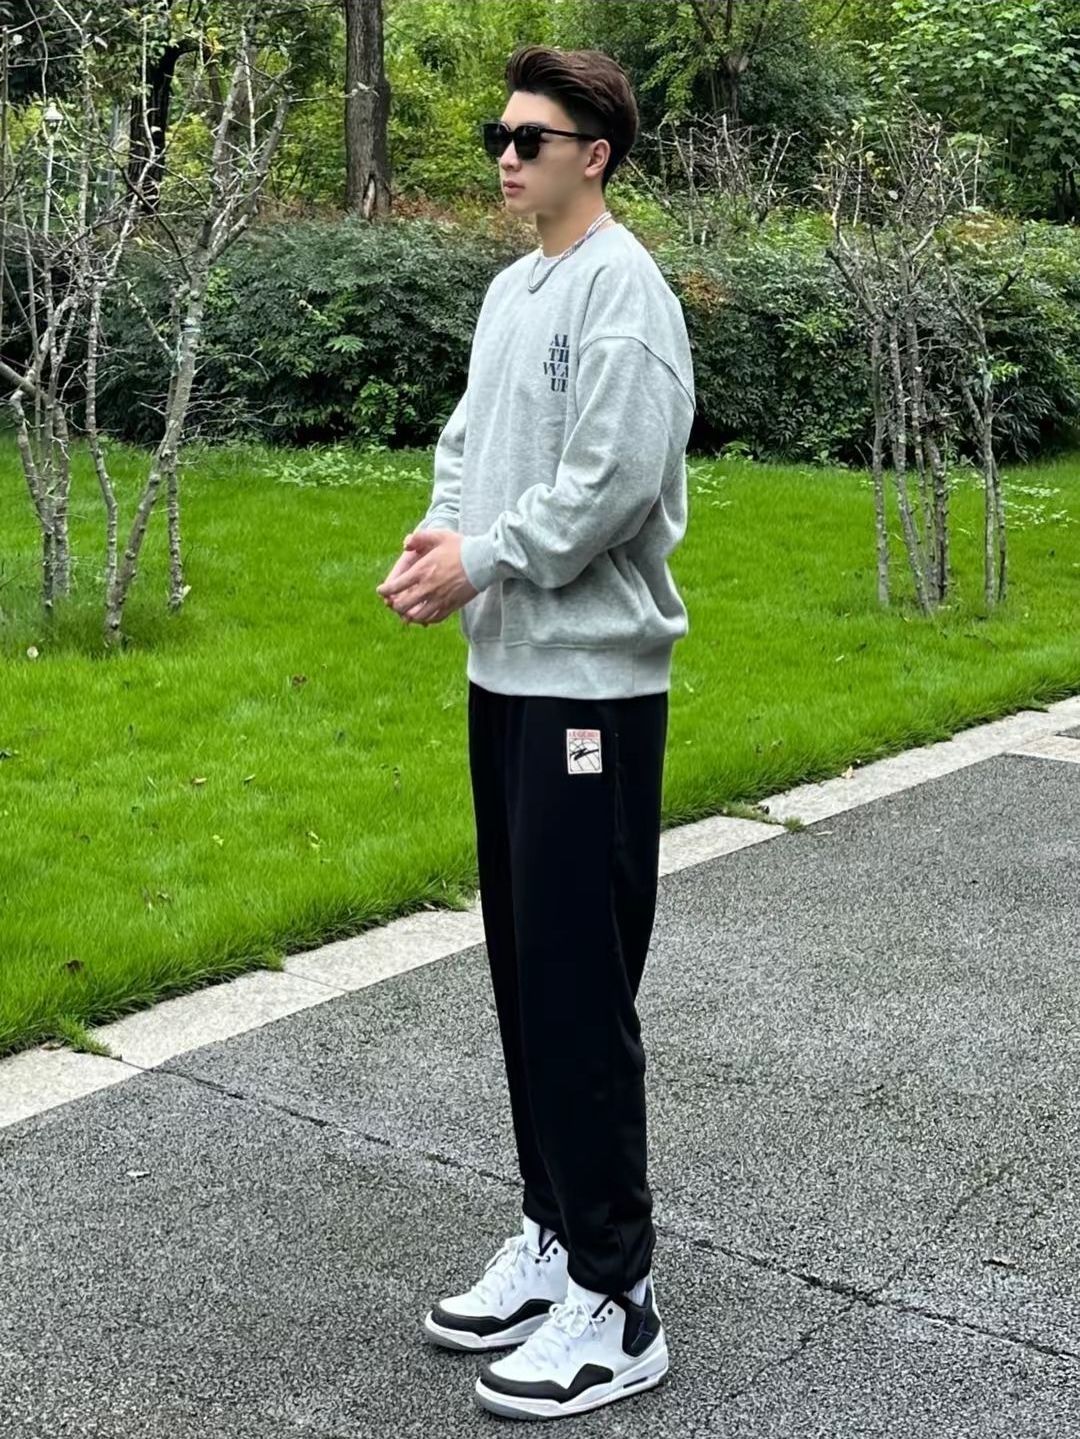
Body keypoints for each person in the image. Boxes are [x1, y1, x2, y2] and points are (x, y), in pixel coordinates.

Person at [376, 43, 695, 1423]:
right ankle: (554, 1236)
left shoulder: (626, 295)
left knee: (577, 987)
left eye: (530, 138)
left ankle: (620, 1303)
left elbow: (612, 486)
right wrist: (443, 535)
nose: (506, 158)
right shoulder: (514, 291)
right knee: (524, 973)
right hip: (506, 675)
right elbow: (469, 445)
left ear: (594, 155)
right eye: (498, 138)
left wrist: (488, 556)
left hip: (589, 693)